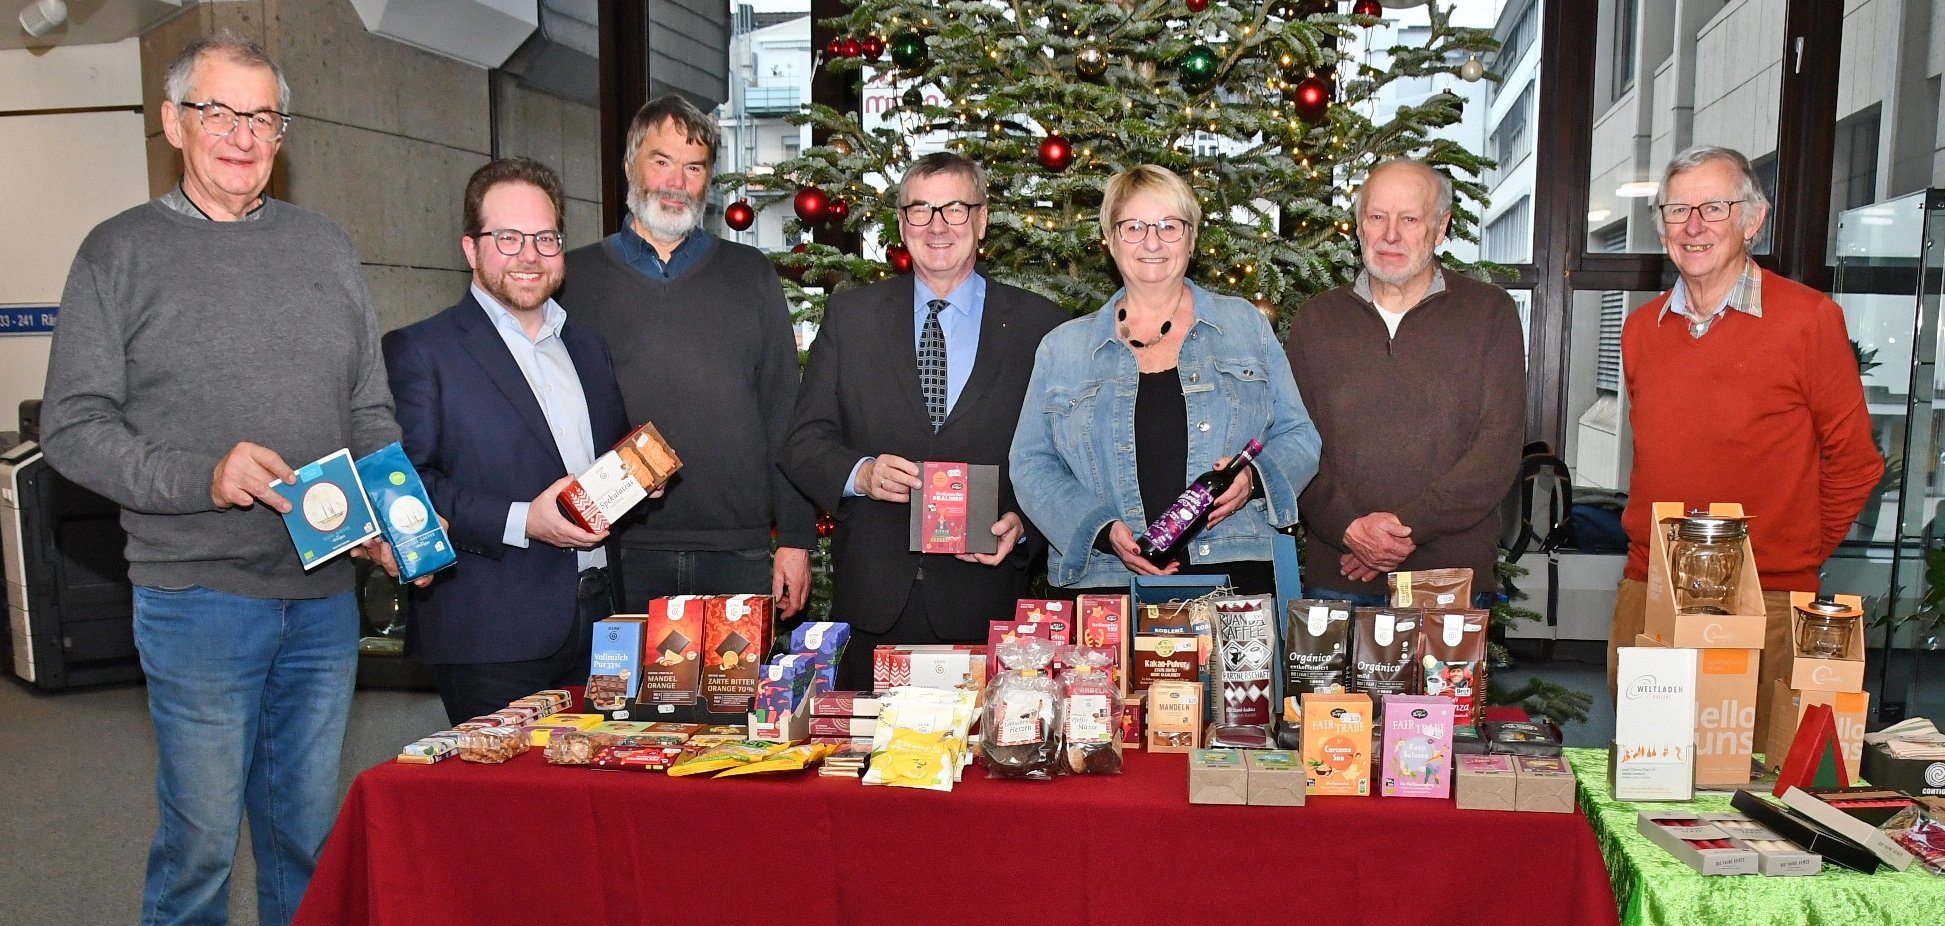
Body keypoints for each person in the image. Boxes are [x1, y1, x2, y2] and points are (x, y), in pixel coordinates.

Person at [38, 32, 404, 926]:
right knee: (199, 847)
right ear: (174, 122)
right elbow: (72, 431)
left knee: (307, 841)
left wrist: (387, 513)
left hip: (321, 598)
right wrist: (208, 476)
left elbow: (369, 411)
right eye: (218, 112)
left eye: (262, 116)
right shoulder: (115, 253)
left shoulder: (325, 246)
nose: (241, 134)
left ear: (282, 132)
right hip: (195, 597)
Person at [1606, 145, 1883, 746]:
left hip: (1768, 603)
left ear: (1753, 220)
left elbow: (1858, 463)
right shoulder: (1640, 331)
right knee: (1645, 775)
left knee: (1753, 792)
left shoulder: (1810, 321)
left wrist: (1792, 552)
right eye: (1678, 209)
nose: (1695, 226)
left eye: (1715, 206)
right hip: (1650, 589)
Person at [782, 153, 1067, 689]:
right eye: (920, 210)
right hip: (872, 605)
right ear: (901, 223)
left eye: (955, 209)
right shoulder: (851, 317)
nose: (937, 226)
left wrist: (1025, 527)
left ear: (982, 221)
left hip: (986, 605)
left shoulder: (1039, 327)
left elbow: (1063, 460)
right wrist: (859, 474)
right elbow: (803, 440)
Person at [383, 158, 632, 724]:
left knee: (595, 803)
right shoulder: (421, 351)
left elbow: (607, 459)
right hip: (488, 629)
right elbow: (405, 486)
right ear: (471, 248)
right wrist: (523, 520)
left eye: (545, 238)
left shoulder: (588, 347)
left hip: (601, 618)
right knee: (508, 810)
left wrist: (637, 479)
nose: (529, 255)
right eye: (508, 237)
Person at [558, 95, 814, 622]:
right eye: (662, 161)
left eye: (693, 167)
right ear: (631, 166)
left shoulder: (752, 275)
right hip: (615, 550)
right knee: (619, 707)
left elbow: (784, 413)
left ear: (708, 180)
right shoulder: (570, 279)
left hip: (737, 552)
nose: (677, 181)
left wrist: (794, 539)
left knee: (735, 705)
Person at [1010, 165, 1321, 596]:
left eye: (1169, 226)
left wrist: (1254, 480)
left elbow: (1300, 436)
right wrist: (1102, 530)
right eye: (1133, 226)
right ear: (1111, 240)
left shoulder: (1244, 326)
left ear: (1192, 239)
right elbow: (1031, 464)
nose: (1152, 242)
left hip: (1237, 583)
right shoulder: (1062, 349)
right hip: (1107, 585)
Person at [1285, 158, 1524, 606]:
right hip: (1340, 575)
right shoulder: (1317, 320)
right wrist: (1349, 530)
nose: (1390, 234)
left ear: (1441, 228)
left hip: (1452, 578)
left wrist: (1400, 534)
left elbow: (1497, 449)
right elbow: (1293, 442)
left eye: (1409, 219)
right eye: (1377, 217)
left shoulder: (1489, 314)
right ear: (1358, 227)